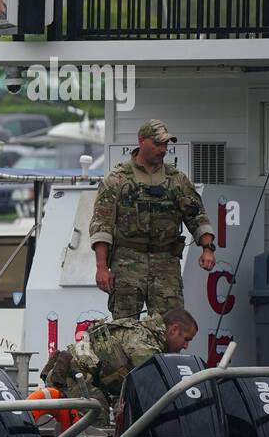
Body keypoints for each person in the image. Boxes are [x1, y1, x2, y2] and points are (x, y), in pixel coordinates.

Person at [90, 119, 215, 319]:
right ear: (141, 141)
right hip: (127, 263)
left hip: (166, 263)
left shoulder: (177, 180)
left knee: (170, 326)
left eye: (166, 144)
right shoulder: (117, 179)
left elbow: (197, 216)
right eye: (158, 144)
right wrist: (101, 268)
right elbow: (101, 225)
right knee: (125, 328)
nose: (163, 149)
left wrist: (207, 248)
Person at [41, 307, 198, 408]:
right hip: (70, 378)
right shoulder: (144, 345)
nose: (186, 346)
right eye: (186, 339)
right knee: (97, 416)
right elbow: (154, 388)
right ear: (173, 330)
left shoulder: (145, 336)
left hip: (78, 378)